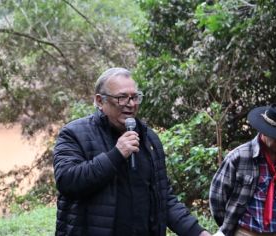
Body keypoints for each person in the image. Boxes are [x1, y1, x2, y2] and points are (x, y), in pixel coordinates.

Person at [53, 67, 211, 236]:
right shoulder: (74, 133)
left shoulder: (148, 138)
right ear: (100, 101)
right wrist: (116, 154)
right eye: (122, 98)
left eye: (135, 97)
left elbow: (163, 198)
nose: (131, 104)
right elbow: (67, 181)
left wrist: (197, 232)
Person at [209, 104, 276, 236]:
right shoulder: (239, 157)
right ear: (265, 131)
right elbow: (217, 197)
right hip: (246, 232)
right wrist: (230, 228)